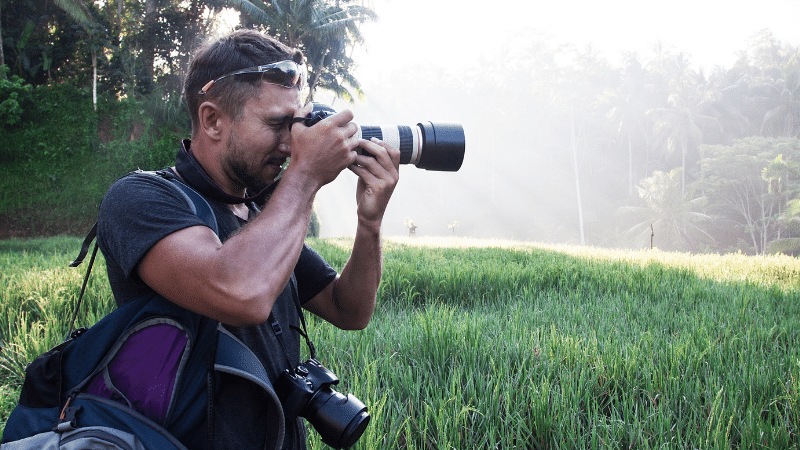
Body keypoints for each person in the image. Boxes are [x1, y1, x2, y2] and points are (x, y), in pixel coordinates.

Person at [96, 29, 400, 449]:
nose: (292, 143)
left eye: (295, 125)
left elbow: (349, 309)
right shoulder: (140, 199)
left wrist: (370, 224)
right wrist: (306, 175)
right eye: (276, 124)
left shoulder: (260, 216)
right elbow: (242, 293)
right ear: (212, 120)